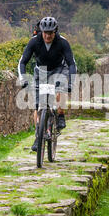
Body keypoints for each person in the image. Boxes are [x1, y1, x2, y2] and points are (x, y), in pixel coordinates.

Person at [18, 16, 77, 152]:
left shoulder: (62, 42)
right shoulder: (34, 42)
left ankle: (60, 115)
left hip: (59, 70)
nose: (48, 35)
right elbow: (22, 62)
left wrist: (71, 83)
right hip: (41, 72)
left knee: (59, 91)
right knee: (37, 107)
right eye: (45, 32)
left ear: (55, 32)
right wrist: (23, 79)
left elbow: (72, 63)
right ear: (41, 31)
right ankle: (38, 137)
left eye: (50, 33)